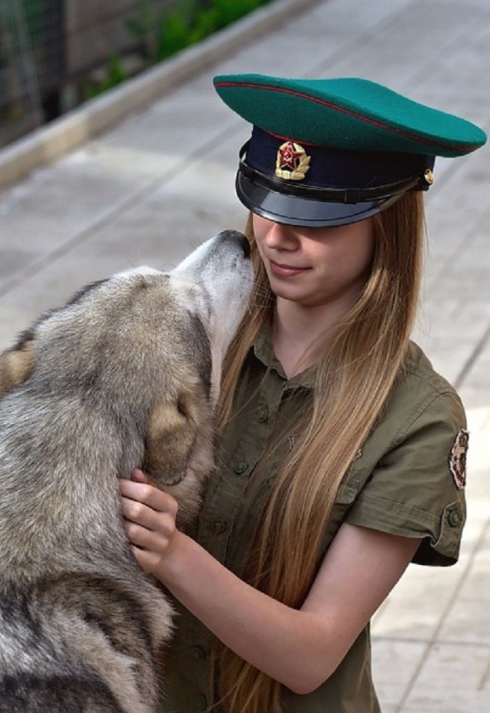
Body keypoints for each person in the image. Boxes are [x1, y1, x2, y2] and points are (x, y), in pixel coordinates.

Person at [119, 74, 486, 713]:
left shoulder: (417, 419)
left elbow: (311, 655)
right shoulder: (188, 343)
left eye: (318, 219)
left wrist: (170, 550)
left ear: (386, 224)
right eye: (266, 206)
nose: (276, 238)